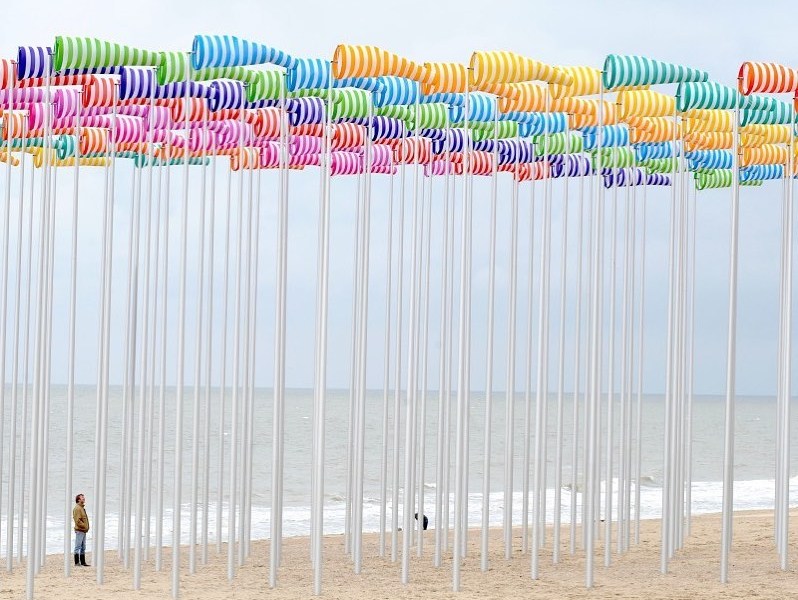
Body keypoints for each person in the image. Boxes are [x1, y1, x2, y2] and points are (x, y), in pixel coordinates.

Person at [72, 494, 90, 567]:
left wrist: (85, 528)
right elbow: (77, 520)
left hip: (83, 530)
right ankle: (77, 563)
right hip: (80, 530)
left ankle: (83, 562)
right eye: (82, 498)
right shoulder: (77, 508)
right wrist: (85, 526)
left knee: (83, 546)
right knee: (78, 546)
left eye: (83, 497)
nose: (84, 498)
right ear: (78, 499)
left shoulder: (81, 508)